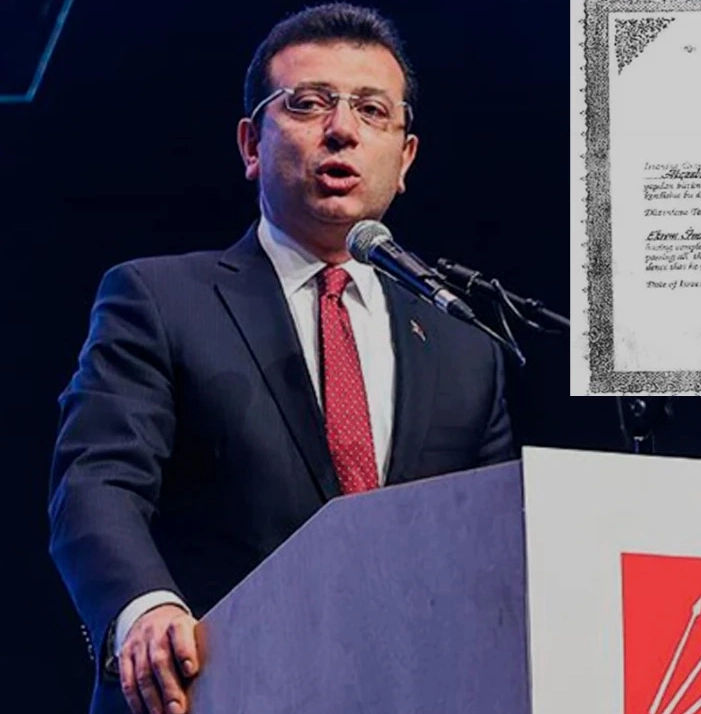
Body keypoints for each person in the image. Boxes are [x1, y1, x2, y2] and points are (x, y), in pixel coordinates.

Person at [47, 4, 517, 713]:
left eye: (371, 110)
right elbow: (96, 483)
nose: (342, 129)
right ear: (251, 144)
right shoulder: (160, 300)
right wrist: (144, 607)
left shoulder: (463, 345)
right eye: (308, 103)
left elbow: (493, 542)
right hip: (213, 691)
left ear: (405, 158)